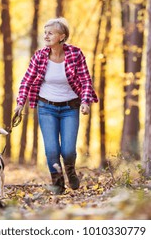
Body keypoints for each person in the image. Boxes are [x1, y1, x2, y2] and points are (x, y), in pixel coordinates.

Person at [14, 17, 98, 194]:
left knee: (67, 151)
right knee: (52, 150)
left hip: (70, 107)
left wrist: (85, 102)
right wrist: (20, 103)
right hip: (47, 108)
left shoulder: (75, 54)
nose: (46, 36)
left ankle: (70, 170)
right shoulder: (39, 56)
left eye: (50, 33)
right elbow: (26, 81)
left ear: (62, 36)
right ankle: (58, 183)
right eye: (45, 33)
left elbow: (85, 81)